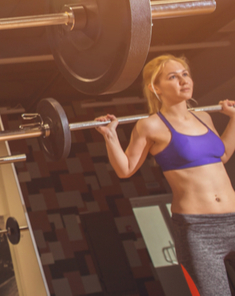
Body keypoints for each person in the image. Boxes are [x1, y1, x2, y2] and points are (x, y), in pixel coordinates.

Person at [94, 54, 235, 296]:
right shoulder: (150, 126)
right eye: (173, 76)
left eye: (185, 74)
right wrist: (110, 136)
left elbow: (221, 156)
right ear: (155, 87)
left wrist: (234, 120)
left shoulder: (204, 117)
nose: (183, 80)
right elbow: (125, 169)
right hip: (198, 229)